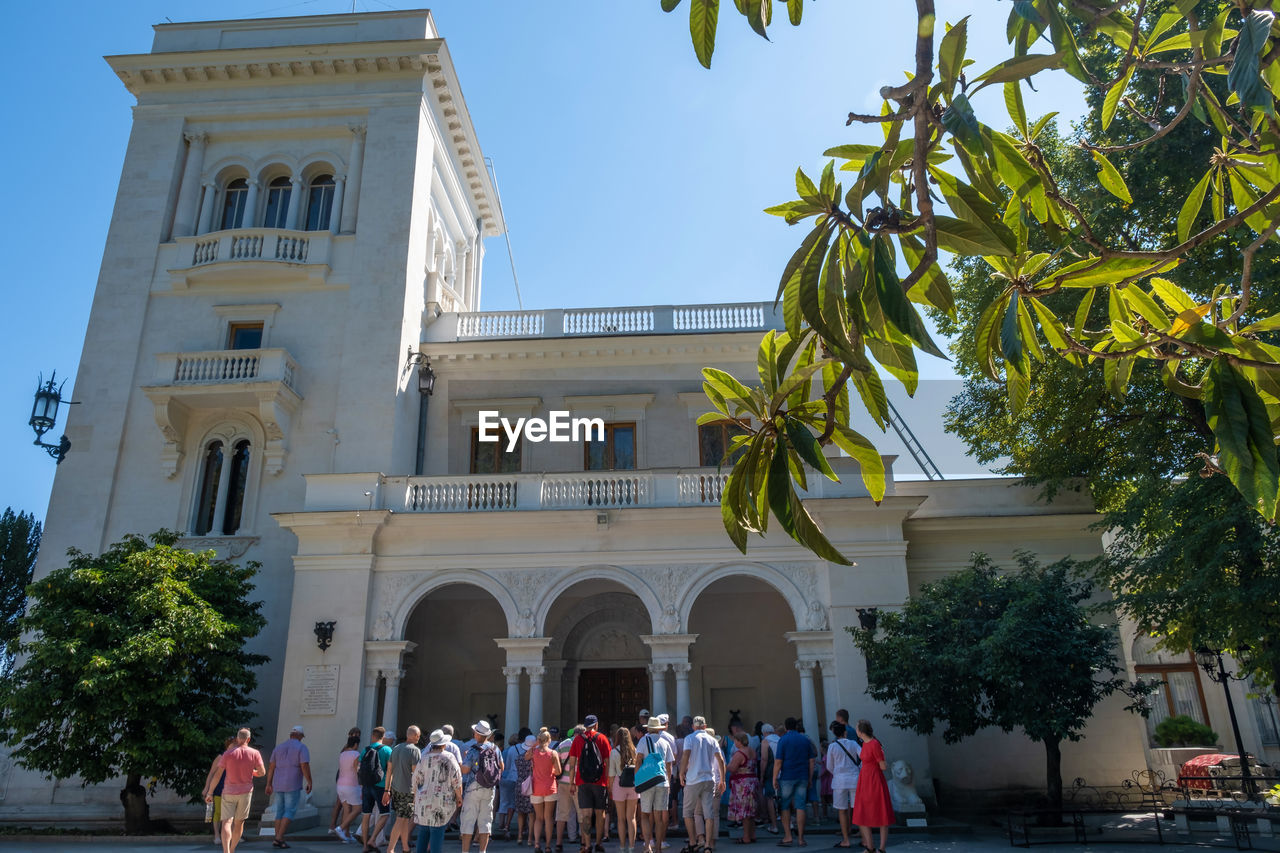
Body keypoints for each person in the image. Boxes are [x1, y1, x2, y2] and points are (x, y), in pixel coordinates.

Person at [205, 727, 266, 853]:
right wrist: (253, 772)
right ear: (248, 739)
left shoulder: (228, 754)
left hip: (228, 792)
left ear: (238, 738)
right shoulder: (254, 753)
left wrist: (210, 792)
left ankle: (226, 851)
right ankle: (232, 849)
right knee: (239, 823)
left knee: (226, 822)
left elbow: (217, 775)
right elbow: (262, 772)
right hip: (245, 792)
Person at [679, 716, 725, 853]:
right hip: (708, 779)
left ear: (693, 727)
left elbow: (686, 755)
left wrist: (681, 773)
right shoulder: (712, 740)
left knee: (687, 812)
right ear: (705, 726)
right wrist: (722, 780)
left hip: (693, 779)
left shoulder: (689, 738)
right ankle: (708, 846)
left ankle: (693, 842)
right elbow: (721, 760)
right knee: (708, 814)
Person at [567, 714, 612, 853]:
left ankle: (587, 845)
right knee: (600, 814)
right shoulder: (603, 738)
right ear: (596, 725)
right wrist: (608, 782)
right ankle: (598, 843)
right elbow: (608, 762)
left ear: (585, 726)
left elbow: (572, 763)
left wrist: (572, 783)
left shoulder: (577, 740)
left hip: (582, 781)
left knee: (586, 815)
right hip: (600, 782)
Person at [414, 729, 464, 853]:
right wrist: (459, 797)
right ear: (444, 744)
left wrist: (415, 797)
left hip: (423, 799)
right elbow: (457, 780)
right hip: (442, 800)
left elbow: (416, 779)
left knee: (423, 831)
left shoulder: (424, 758)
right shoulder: (449, 757)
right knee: (437, 831)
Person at [265, 725, 312, 850]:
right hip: (293, 784)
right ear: (300, 736)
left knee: (279, 811)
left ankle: (278, 838)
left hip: (278, 784)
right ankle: (279, 838)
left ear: (291, 735)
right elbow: (304, 766)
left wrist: (269, 783)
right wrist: (309, 781)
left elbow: (271, 767)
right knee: (290, 811)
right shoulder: (302, 747)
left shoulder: (279, 747)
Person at [460, 719, 504, 853]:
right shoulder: (495, 748)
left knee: (468, 820)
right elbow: (502, 766)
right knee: (485, 821)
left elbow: (466, 770)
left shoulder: (473, 750)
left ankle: (465, 851)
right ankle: (482, 851)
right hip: (490, 788)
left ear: (478, 735)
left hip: (473, 787)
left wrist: (463, 760)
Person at [849, 721, 892, 853]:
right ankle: (870, 847)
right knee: (861, 814)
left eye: (857, 729)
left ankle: (881, 848)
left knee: (881, 814)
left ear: (861, 732)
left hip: (874, 781)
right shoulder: (865, 743)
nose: (856, 731)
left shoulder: (874, 744)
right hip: (865, 780)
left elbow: (883, 766)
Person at [771, 718, 814, 848]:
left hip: (787, 777)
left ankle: (788, 836)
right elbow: (811, 761)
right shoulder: (805, 740)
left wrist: (774, 778)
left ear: (786, 727)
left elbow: (778, 762)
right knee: (800, 806)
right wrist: (810, 778)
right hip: (802, 776)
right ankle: (801, 838)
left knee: (785, 806)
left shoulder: (783, 740)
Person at [635, 717, 676, 853]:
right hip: (662, 781)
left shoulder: (643, 740)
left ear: (648, 728)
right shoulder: (665, 742)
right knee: (659, 818)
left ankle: (648, 846)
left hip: (647, 782)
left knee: (645, 814)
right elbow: (669, 765)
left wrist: (637, 779)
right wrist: (668, 783)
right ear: (659, 729)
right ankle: (658, 848)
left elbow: (638, 760)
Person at [384, 725, 424, 853]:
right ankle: (390, 849)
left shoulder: (395, 748)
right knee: (401, 819)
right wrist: (418, 792)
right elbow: (416, 773)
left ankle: (405, 848)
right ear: (415, 736)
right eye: (418, 735)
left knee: (404, 819)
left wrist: (387, 790)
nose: (419, 737)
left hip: (395, 789)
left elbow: (389, 771)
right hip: (408, 790)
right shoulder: (415, 751)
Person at [824, 723, 861, 849]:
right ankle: (865, 838)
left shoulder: (832, 746)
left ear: (834, 733)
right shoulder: (853, 743)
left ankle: (846, 839)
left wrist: (838, 773)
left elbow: (829, 765)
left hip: (840, 780)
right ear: (845, 732)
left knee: (842, 810)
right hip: (854, 778)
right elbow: (862, 757)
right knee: (857, 808)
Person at [359, 726, 394, 853]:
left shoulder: (366, 750)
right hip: (381, 786)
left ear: (372, 736)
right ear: (383, 737)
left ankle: (364, 847)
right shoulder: (387, 750)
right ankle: (372, 839)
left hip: (367, 785)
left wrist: (362, 785)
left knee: (366, 816)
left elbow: (358, 766)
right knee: (385, 814)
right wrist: (388, 790)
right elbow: (390, 770)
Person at [530, 727, 563, 853]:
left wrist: (535, 745)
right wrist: (552, 770)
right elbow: (558, 771)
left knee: (538, 818)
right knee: (548, 818)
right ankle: (548, 846)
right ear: (549, 740)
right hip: (550, 787)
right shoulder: (553, 753)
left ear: (539, 740)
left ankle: (537, 844)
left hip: (536, 788)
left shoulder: (533, 752)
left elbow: (526, 758)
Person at [201, 736, 236, 848]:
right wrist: (207, 788)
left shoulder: (237, 757)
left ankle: (233, 836)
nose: (234, 746)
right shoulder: (220, 757)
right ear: (227, 745)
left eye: (235, 744)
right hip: (219, 788)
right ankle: (217, 835)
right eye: (232, 744)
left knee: (233, 814)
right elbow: (212, 773)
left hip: (233, 790)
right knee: (218, 813)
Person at [610, 727, 640, 852]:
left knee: (621, 818)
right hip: (633, 785)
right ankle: (632, 847)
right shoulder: (635, 750)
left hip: (619, 784)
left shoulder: (614, 752)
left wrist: (611, 788)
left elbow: (611, 773)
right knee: (631, 818)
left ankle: (622, 847)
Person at [725, 732, 759, 844]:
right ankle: (752, 834)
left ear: (739, 741)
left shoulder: (739, 754)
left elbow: (733, 768)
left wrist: (725, 766)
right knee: (751, 810)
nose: (734, 743)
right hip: (752, 781)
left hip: (742, 784)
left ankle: (746, 837)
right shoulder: (752, 751)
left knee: (744, 811)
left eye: (735, 741)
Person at [555, 726, 581, 852]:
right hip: (578, 783)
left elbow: (556, 762)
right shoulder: (583, 744)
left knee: (561, 814)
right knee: (582, 814)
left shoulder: (562, 744)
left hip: (563, 783)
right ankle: (584, 843)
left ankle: (559, 843)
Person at [335, 734, 364, 842]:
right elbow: (358, 770)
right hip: (352, 785)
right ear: (356, 744)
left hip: (340, 785)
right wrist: (362, 785)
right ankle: (341, 828)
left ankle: (346, 835)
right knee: (358, 809)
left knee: (347, 809)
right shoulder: (356, 754)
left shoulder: (342, 754)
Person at [756, 725, 779, 835]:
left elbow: (764, 760)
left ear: (764, 732)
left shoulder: (765, 742)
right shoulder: (780, 739)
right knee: (783, 799)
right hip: (783, 772)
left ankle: (774, 825)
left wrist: (761, 775)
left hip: (771, 772)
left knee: (770, 798)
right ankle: (789, 824)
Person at [500, 732, 522, 840]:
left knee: (504, 802)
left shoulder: (506, 750)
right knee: (514, 803)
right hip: (517, 778)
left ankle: (502, 824)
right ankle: (508, 826)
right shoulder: (521, 749)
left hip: (506, 777)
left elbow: (506, 765)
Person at [516, 733, 537, 844]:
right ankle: (529, 838)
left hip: (520, 784)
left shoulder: (519, 757)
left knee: (520, 812)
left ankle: (519, 836)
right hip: (532, 785)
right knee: (531, 813)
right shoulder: (535, 758)